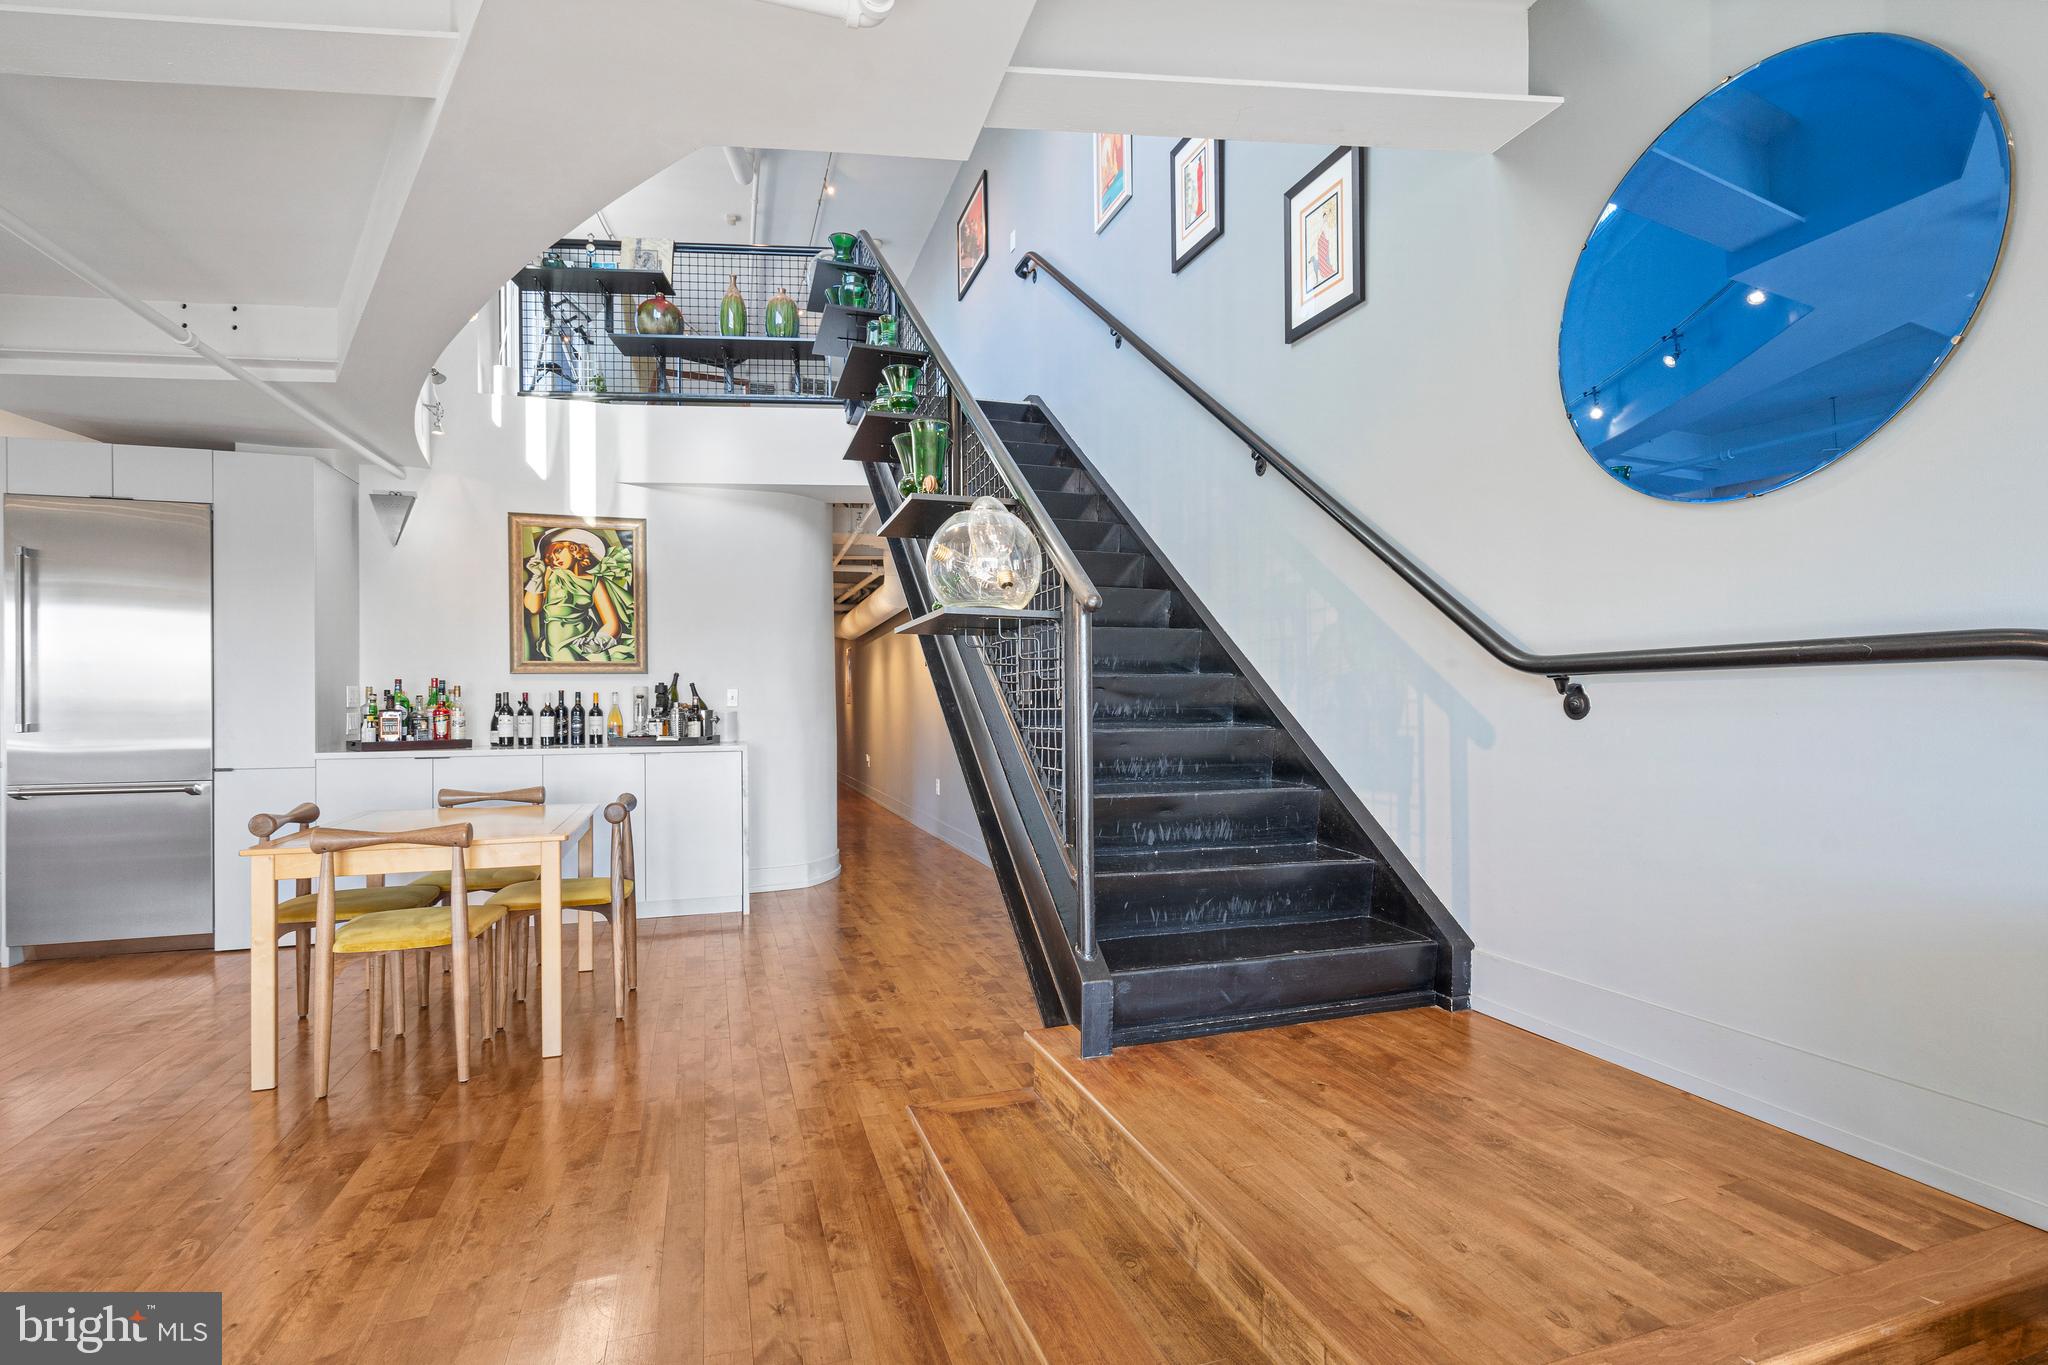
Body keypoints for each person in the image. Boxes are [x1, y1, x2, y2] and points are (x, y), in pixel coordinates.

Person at [521, 527, 635, 663]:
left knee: (604, 666)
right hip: (559, 641)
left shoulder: (594, 580)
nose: (555, 559)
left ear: (574, 548)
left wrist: (597, 643)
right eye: (550, 557)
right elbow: (533, 607)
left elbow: (612, 622)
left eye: (558, 550)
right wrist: (537, 577)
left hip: (588, 638)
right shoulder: (551, 574)